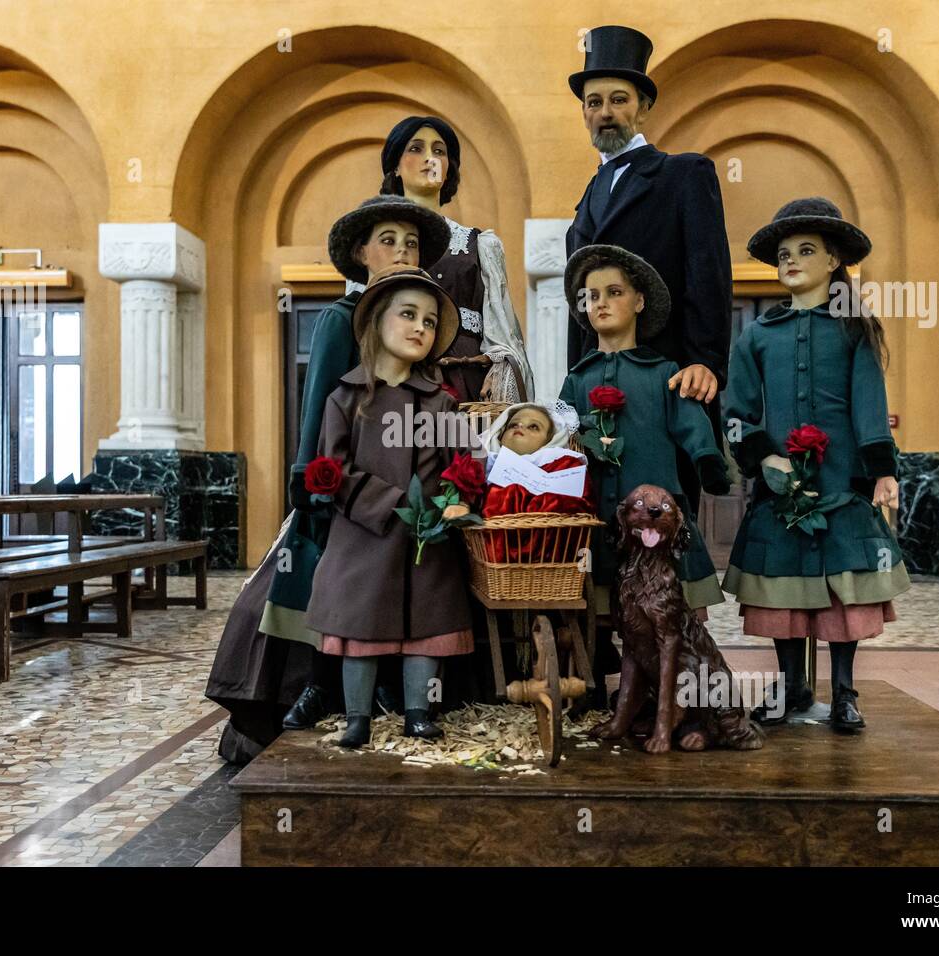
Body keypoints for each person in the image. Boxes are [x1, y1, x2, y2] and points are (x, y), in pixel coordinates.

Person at [203, 196, 449, 764]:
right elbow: (320, 404)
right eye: (388, 240)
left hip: (405, 487)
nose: (402, 251)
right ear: (361, 253)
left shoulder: (418, 319)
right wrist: (309, 476)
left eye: (411, 244)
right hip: (342, 482)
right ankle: (318, 685)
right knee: (323, 585)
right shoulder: (345, 319)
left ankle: (394, 693)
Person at [722, 197, 911, 733]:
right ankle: (791, 687)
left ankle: (846, 693)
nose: (791, 260)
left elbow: (869, 405)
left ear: (833, 262)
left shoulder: (854, 329)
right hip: (781, 489)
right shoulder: (757, 335)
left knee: (842, 592)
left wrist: (883, 471)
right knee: (784, 590)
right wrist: (765, 458)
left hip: (841, 485)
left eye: (806, 251)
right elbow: (736, 412)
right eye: (784, 253)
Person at [565, 25, 732, 516]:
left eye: (619, 99)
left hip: (669, 387)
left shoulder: (684, 174)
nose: (605, 112)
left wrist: (707, 362)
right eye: (594, 102)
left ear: (642, 107)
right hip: (596, 394)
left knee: (663, 529)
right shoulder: (584, 201)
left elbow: (710, 272)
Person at [304, 266, 473, 748]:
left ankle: (418, 712)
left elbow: (461, 466)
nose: (421, 327)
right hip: (363, 538)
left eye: (429, 321)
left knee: (427, 625)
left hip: (427, 540)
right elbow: (331, 467)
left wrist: (446, 506)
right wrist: (394, 505)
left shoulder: (440, 403)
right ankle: (357, 717)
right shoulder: (346, 398)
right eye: (408, 315)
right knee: (360, 628)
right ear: (377, 323)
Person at [559, 244, 732, 707]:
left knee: (671, 608)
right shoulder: (577, 380)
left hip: (657, 516)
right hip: (598, 516)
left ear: (638, 302)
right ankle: (596, 685)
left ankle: (677, 693)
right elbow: (562, 435)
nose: (600, 302)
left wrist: (707, 457)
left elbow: (687, 421)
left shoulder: (664, 373)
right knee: (599, 605)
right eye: (591, 295)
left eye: (613, 292)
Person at [379, 115, 534, 404]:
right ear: (396, 167)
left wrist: (498, 376)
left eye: (439, 151)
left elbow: (504, 337)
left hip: (466, 388)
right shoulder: (376, 244)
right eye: (416, 149)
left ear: (449, 169)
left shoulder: (480, 245)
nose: (430, 159)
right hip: (395, 384)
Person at [478, 401, 594, 562]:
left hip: (553, 564)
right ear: (500, 435)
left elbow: (574, 512)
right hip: (492, 569)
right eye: (512, 425)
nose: (520, 428)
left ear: (550, 440)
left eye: (533, 427)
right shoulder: (480, 467)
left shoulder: (565, 465)